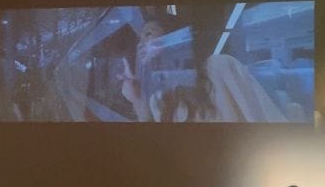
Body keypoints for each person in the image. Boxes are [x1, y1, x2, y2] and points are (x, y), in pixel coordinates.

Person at [119, 18, 287, 123]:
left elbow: (267, 120)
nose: (140, 44)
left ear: (174, 37)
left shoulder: (219, 67)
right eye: (139, 39)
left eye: (148, 34)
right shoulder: (157, 100)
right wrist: (137, 99)